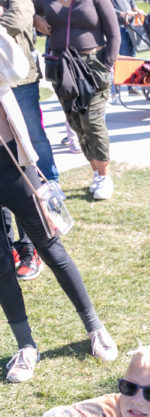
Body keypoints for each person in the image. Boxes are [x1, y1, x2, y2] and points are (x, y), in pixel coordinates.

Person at [0, 24, 117, 383]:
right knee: (1, 264)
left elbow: (16, 69)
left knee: (50, 246)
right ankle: (26, 346)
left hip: (11, 162)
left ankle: (95, 328)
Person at [33, 0, 120, 201]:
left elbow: (113, 33)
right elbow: (26, 12)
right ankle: (96, 173)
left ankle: (104, 175)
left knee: (92, 119)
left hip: (92, 65)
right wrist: (36, 19)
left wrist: (106, 65)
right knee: (76, 122)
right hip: (62, 67)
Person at [1, 0, 62, 280]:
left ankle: (34, 243)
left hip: (19, 84)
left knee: (29, 155)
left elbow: (17, 18)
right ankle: (8, 246)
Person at [101, 0, 141, 104]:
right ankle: (114, 91)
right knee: (120, 58)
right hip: (116, 27)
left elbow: (132, 4)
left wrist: (137, 11)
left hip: (130, 25)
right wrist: (121, 14)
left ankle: (132, 86)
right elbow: (106, 7)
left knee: (132, 56)